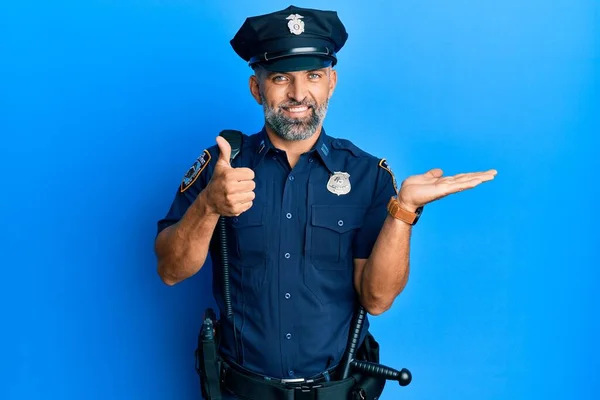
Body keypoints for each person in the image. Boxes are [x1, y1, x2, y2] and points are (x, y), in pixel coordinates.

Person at [154, 5, 497, 399]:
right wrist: (210, 206)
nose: (299, 94)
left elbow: (377, 299)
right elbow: (170, 270)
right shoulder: (222, 166)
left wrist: (403, 211)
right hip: (241, 392)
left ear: (331, 82)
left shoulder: (368, 175)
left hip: (336, 390)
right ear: (256, 88)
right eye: (281, 78)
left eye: (313, 76)